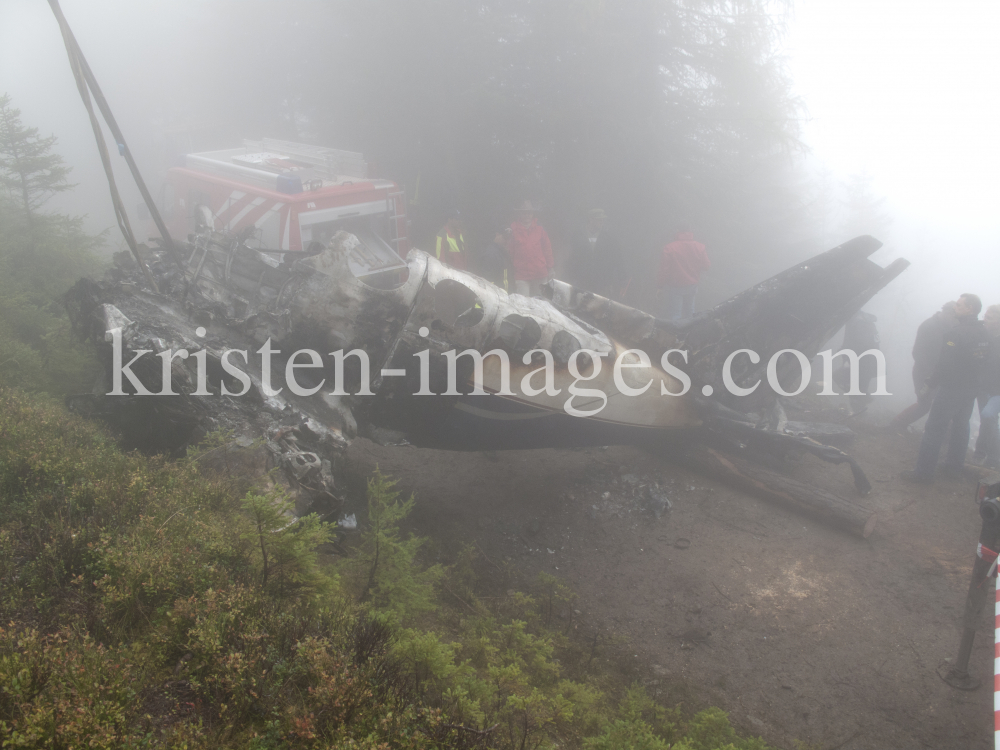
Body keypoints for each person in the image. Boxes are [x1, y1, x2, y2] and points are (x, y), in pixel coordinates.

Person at [902, 293, 989, 482]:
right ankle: (953, 466)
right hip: (971, 389)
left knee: (934, 428)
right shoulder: (984, 333)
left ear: (970, 309)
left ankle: (923, 474)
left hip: (951, 388)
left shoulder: (955, 334)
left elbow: (944, 365)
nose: (955, 308)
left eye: (959, 305)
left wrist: (929, 384)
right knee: (961, 425)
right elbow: (984, 362)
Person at [888, 301, 958, 431]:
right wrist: (930, 373)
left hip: (939, 374)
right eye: (954, 317)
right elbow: (917, 352)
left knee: (941, 403)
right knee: (925, 404)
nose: (955, 320)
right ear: (947, 312)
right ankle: (896, 424)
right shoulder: (929, 326)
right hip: (923, 373)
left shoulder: (950, 327)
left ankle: (944, 434)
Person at [656, 226, 709, 322]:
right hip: (692, 284)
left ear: (678, 231)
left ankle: (676, 335)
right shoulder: (700, 247)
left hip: (675, 285)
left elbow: (664, 269)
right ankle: (690, 335)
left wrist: (660, 286)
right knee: (690, 313)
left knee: (676, 315)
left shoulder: (670, 247)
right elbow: (706, 266)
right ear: (691, 232)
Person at [569, 208, 625, 299]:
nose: (602, 222)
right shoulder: (577, 236)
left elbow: (617, 259)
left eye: (603, 220)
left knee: (598, 310)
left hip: (602, 284)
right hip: (581, 282)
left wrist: (622, 278)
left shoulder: (608, 239)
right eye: (599, 219)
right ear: (591, 219)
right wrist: (571, 276)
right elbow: (571, 257)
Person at [833, 310, 880, 415]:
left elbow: (861, 343)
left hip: (862, 363)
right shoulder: (864, 323)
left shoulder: (858, 323)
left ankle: (859, 411)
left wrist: (847, 353)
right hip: (866, 362)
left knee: (851, 386)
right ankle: (862, 401)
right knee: (850, 384)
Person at [506, 200, 553, 297]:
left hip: (540, 274)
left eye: (529, 213)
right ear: (520, 214)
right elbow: (510, 252)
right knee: (523, 305)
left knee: (539, 304)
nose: (527, 215)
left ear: (532, 214)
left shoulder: (540, 229)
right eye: (524, 212)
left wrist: (551, 267)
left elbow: (547, 249)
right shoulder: (513, 230)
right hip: (522, 275)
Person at [973, 304, 1000, 467]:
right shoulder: (983, 335)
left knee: (989, 416)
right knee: (987, 419)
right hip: (983, 386)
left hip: (996, 389)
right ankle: (983, 455)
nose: (986, 318)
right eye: (986, 314)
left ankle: (991, 457)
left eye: (991, 316)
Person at [475, 226, 514, 291]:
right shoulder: (490, 254)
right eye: (505, 237)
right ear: (497, 235)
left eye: (509, 238)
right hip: (496, 297)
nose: (507, 241)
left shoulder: (503, 252)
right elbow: (487, 281)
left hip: (504, 296)